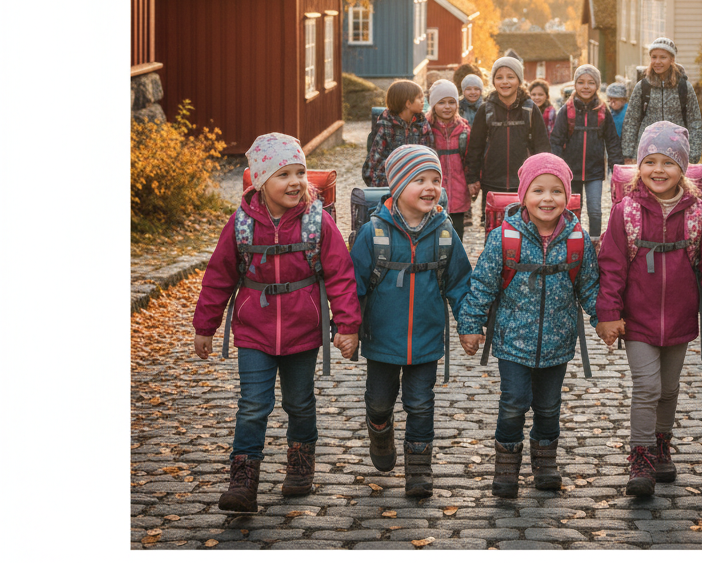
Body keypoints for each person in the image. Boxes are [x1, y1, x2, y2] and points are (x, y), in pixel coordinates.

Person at [193, 133, 361, 513]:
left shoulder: (317, 222)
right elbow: (218, 276)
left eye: (300, 172)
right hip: (254, 330)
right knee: (253, 405)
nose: (295, 182)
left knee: (299, 402)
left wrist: (347, 325)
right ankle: (243, 480)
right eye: (283, 174)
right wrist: (205, 326)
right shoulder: (241, 224)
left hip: (303, 331)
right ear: (261, 180)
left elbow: (340, 275)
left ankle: (300, 464)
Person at [595, 121, 702, 496]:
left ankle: (661, 444)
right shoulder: (625, 212)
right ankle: (640, 458)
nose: (659, 170)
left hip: (680, 319)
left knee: (669, 389)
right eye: (650, 161)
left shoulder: (699, 215)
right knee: (647, 386)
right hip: (637, 320)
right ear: (639, 166)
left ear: (682, 168)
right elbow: (611, 267)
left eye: (668, 162)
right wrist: (609, 314)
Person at [457, 154, 600, 497]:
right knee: (514, 402)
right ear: (523, 195)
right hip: (512, 341)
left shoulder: (577, 239)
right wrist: (471, 325)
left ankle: (545, 464)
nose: (547, 198)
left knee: (549, 406)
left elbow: (590, 287)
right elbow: (482, 285)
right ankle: (506, 467)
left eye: (556, 191)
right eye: (538, 190)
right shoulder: (503, 238)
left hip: (558, 342)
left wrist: (604, 319)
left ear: (568, 197)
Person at [349, 146, 473, 496]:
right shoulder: (373, 233)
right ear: (398, 186)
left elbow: (460, 283)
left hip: (426, 339)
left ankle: (419, 468)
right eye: (419, 180)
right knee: (378, 401)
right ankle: (380, 429)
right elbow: (353, 285)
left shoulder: (445, 233)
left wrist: (467, 325)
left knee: (420, 403)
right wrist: (347, 328)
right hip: (381, 339)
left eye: (435, 179)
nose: (430, 187)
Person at [465, 55, 551, 226]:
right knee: (492, 228)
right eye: (499, 77)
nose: (505, 82)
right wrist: (472, 177)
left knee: (524, 227)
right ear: (493, 81)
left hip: (524, 182)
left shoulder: (530, 109)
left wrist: (544, 176)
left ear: (519, 80)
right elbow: (475, 147)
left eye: (510, 77)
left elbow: (542, 146)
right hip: (491, 182)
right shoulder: (486, 109)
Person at [549, 63, 623, 239]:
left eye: (591, 82)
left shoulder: (603, 111)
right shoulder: (566, 111)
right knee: (572, 210)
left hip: (594, 171)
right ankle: (573, 242)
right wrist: (555, 169)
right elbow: (556, 141)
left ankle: (595, 243)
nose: (586, 87)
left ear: (597, 85)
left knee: (595, 210)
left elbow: (612, 141)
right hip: (570, 172)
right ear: (575, 84)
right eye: (581, 82)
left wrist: (617, 169)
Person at [620, 37, 702, 165]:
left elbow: (694, 121)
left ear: (672, 59)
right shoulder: (642, 87)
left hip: (676, 152)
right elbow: (631, 121)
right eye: (654, 57)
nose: (657, 61)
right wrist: (628, 154)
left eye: (663, 57)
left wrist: (693, 155)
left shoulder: (684, 88)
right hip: (646, 152)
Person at [364, 79, 433, 187]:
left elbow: (428, 152)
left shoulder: (422, 123)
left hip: (416, 179)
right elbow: (375, 160)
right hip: (389, 180)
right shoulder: (385, 125)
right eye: (419, 97)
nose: (423, 101)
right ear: (408, 103)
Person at [426, 79, 471, 240]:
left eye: (451, 102)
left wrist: (472, 182)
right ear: (433, 105)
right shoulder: (426, 129)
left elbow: (470, 160)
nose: (447, 107)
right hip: (433, 192)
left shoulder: (464, 130)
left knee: (456, 234)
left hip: (458, 192)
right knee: (434, 234)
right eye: (441, 102)